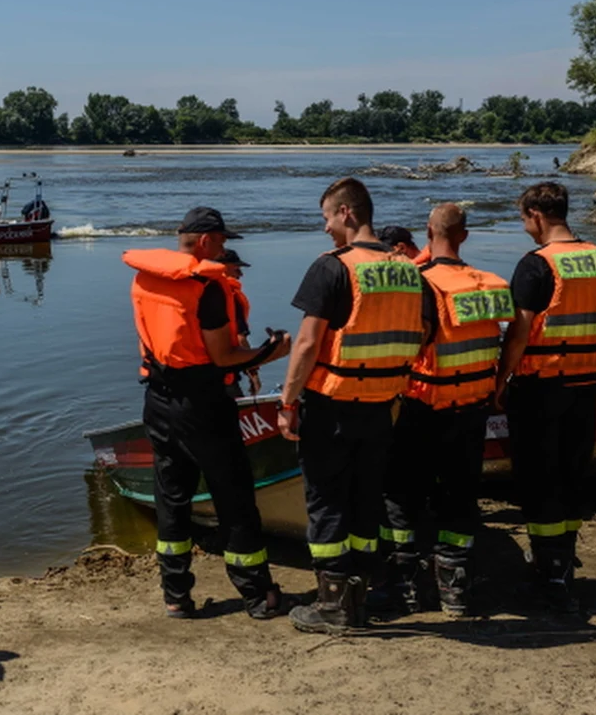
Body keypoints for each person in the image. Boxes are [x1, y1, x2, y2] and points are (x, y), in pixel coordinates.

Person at [122, 207, 292, 620]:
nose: (223, 249)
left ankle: (176, 595)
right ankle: (257, 595)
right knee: (233, 497)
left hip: (158, 401)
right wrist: (273, 351)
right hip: (202, 405)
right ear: (203, 241)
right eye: (220, 241)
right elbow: (222, 357)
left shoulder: (145, 277)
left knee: (172, 497)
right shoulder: (208, 287)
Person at [278, 178, 429, 634]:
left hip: (333, 407)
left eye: (326, 216)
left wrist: (287, 401)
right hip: (383, 406)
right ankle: (363, 595)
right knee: (367, 505)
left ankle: (332, 606)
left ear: (346, 213)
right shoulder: (408, 270)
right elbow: (421, 333)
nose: (324, 227)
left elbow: (306, 344)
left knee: (326, 504)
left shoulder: (333, 268)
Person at [495, 181, 596, 612]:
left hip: (540, 386)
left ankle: (549, 574)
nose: (524, 226)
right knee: (570, 472)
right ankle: (562, 561)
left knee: (539, 477)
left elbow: (521, 330)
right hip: (585, 385)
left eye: (524, 219)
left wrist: (501, 379)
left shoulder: (535, 264)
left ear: (536, 216)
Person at [380, 203, 512, 616]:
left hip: (422, 406)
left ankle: (403, 585)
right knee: (460, 496)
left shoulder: (421, 284)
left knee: (401, 496)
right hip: (473, 407)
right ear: (464, 236)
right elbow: (508, 339)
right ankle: (455, 589)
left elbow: (410, 344)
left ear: (427, 232)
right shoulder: (488, 283)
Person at [219, 248, 261, 397]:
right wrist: (253, 373)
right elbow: (240, 338)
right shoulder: (230, 296)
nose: (240, 275)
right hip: (223, 376)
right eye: (236, 269)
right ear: (223, 267)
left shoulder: (199, 291)